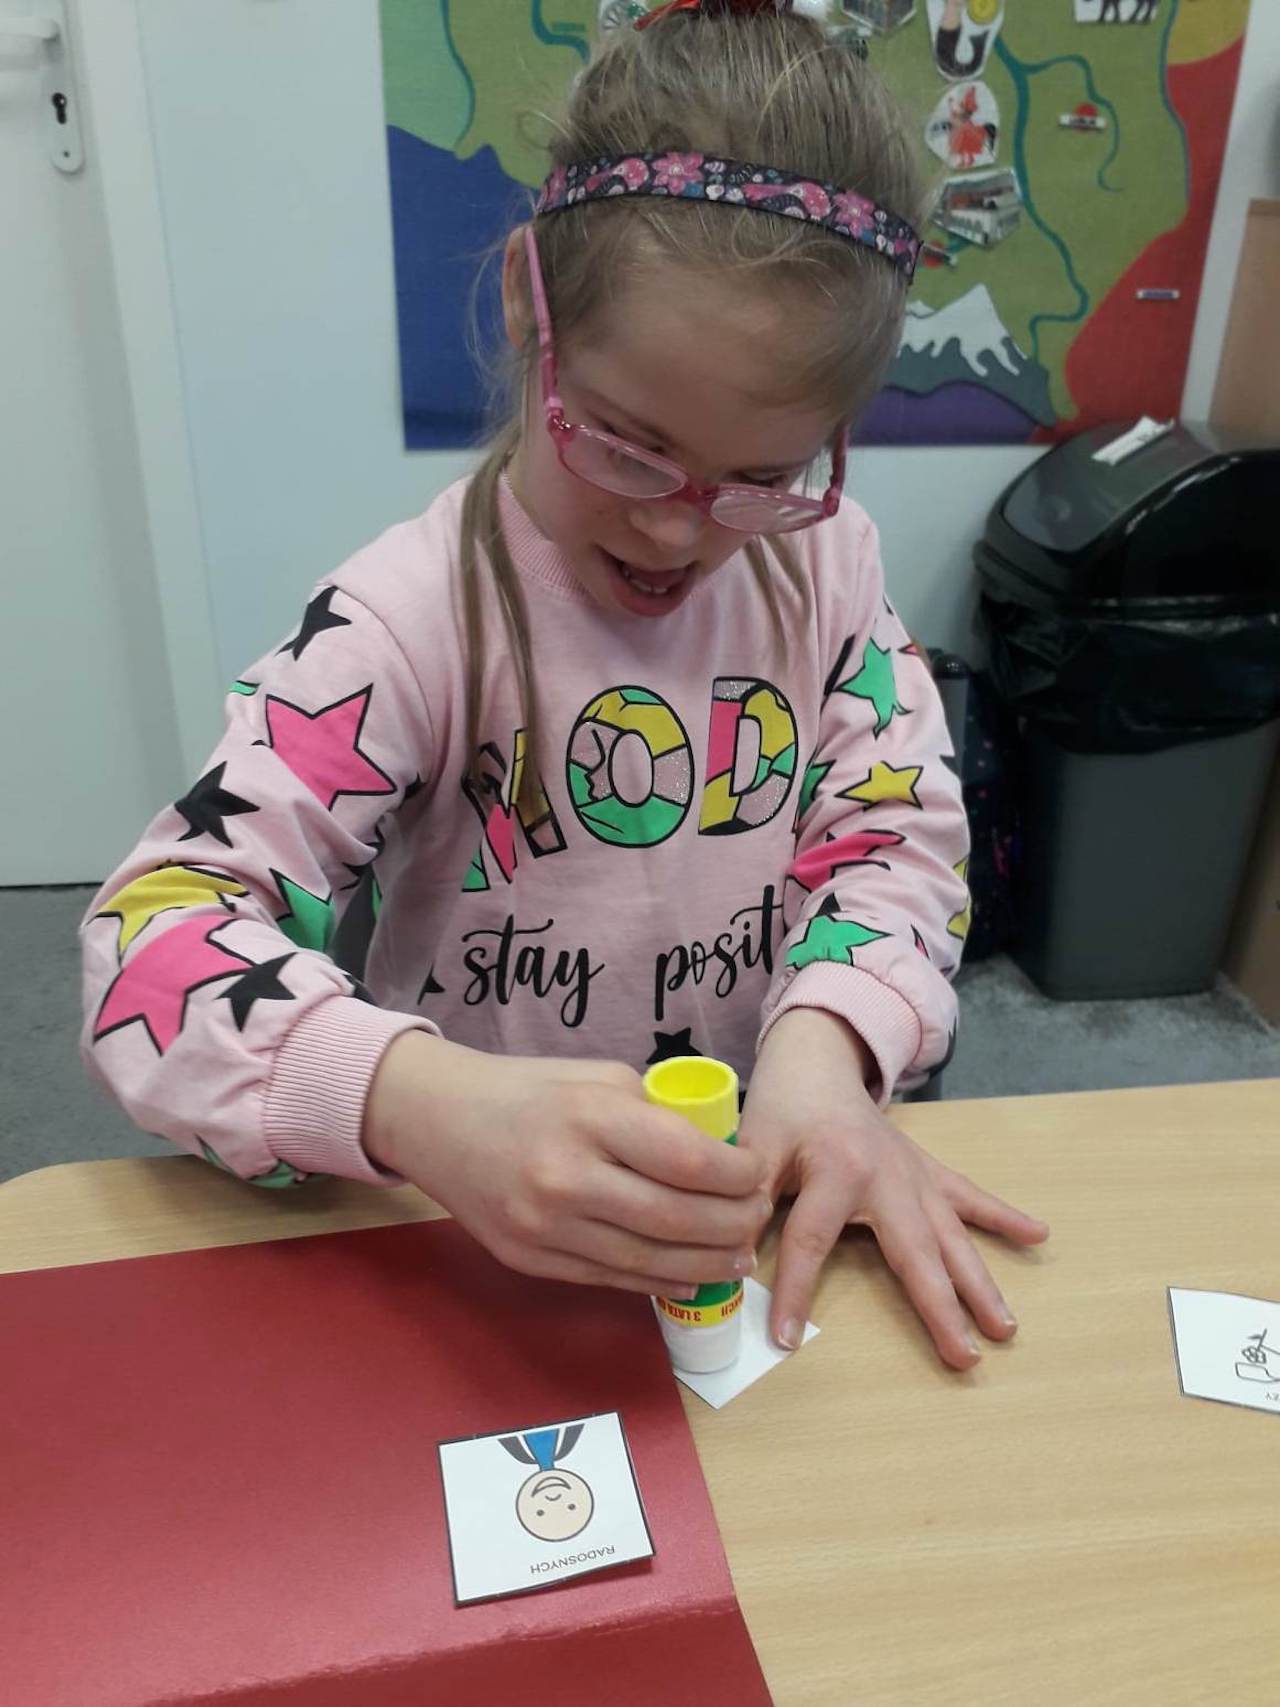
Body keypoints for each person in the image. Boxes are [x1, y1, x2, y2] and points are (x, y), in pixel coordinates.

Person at [80, 0, 1047, 1372]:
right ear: (532, 308)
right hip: (479, 1242)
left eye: (762, 476)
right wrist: (416, 1103)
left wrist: (831, 1049)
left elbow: (898, 838)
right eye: (631, 447)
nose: (679, 528)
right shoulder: (407, 621)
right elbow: (151, 941)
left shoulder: (826, 566)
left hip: (746, 1220)